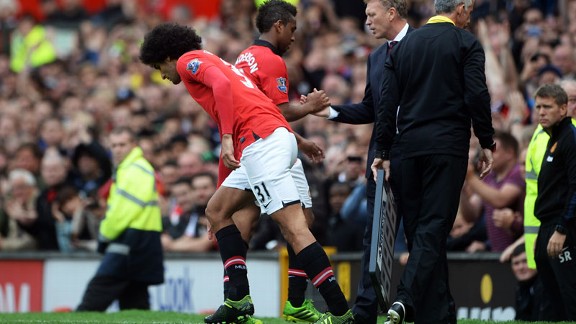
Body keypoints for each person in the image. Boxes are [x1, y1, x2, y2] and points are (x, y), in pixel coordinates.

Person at [139, 23, 353, 323]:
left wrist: (226, 136)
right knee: (216, 209)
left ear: (169, 55)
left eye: (158, 66)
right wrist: (297, 141)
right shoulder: (216, 62)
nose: (162, 74)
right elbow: (257, 107)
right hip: (266, 141)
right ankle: (238, 300)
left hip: (261, 144)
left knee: (294, 228)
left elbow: (223, 89)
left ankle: (341, 313)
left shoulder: (189, 61)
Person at [371, 0, 495, 322]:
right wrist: (486, 141)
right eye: (470, 11)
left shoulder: (404, 46)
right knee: (433, 229)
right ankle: (404, 300)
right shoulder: (466, 43)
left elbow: (387, 104)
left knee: (421, 234)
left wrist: (382, 151)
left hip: (406, 150)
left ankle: (438, 315)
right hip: (446, 148)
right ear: (462, 9)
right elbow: (477, 95)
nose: (471, 16)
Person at [311, 0, 412, 321]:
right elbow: (371, 108)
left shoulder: (423, 47)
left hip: (415, 157)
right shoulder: (377, 57)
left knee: (418, 232)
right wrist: (329, 111)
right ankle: (365, 311)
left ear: (392, 13)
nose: (366, 21)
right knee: (375, 234)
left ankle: (413, 303)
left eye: (371, 14)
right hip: (378, 162)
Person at [233, 1, 328, 321]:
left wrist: (299, 141)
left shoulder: (244, 57)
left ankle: (292, 301)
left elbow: (266, 112)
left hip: (258, 143)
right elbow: (282, 111)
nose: (293, 37)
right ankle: (246, 302)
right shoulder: (270, 60)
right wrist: (312, 106)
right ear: (278, 26)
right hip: (265, 149)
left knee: (304, 219)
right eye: (292, 29)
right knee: (291, 224)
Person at [76, 127, 164, 311]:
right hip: (141, 238)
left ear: (133, 145)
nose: (117, 149)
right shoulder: (130, 168)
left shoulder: (135, 169)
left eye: (122, 144)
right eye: (114, 145)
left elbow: (122, 212)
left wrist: (104, 234)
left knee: (93, 300)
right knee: (135, 304)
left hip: (130, 239)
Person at [532, 83, 576, 321]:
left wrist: (561, 228)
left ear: (563, 108)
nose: (541, 112)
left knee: (569, 296)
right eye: (538, 106)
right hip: (547, 227)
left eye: (547, 107)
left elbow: (575, 188)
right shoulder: (553, 138)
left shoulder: (570, 139)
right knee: (550, 300)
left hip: (562, 228)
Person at [509, 244, 545, 321]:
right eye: (516, 263)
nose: (521, 267)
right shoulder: (520, 288)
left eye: (525, 261)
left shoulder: (546, 287)